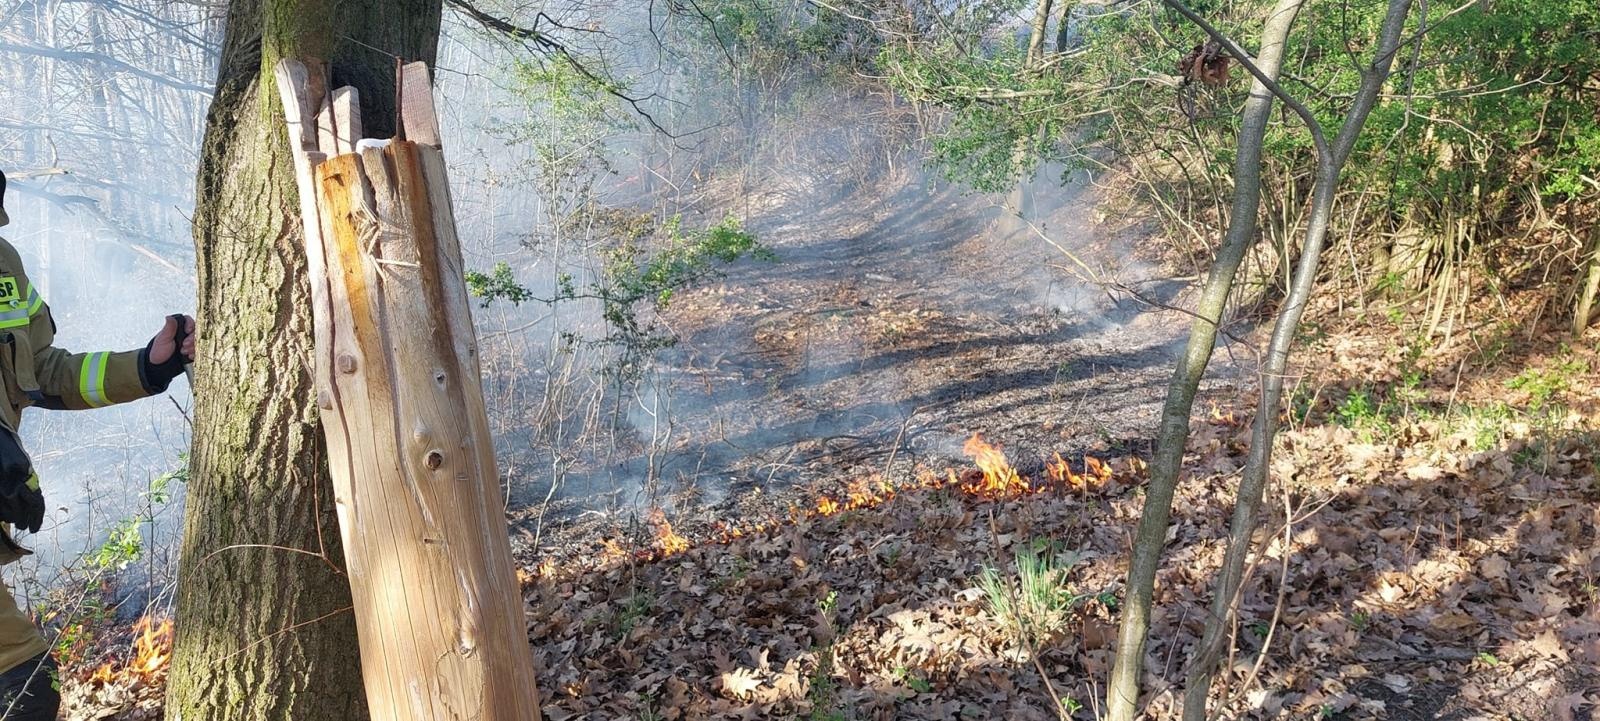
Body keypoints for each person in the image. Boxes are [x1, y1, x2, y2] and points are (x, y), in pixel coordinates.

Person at [0, 170, 194, 718]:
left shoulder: (3, 262)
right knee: (23, 685)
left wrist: (145, 367)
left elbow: (40, 371)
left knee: (24, 685)